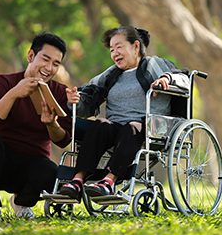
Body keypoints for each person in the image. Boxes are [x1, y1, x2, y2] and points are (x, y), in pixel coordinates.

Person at [60, 26, 189, 202]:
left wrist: (166, 79)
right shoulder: (111, 74)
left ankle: (108, 181)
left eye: (119, 47)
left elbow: (183, 78)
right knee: (100, 125)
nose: (114, 53)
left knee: (132, 127)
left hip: (148, 127)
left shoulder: (153, 64)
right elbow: (87, 103)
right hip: (115, 129)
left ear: (136, 46)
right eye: (112, 49)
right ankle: (77, 181)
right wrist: (75, 100)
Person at [0, 32, 72, 221]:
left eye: (56, 64)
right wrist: (14, 93)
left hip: (32, 166)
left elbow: (64, 139)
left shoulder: (59, 92)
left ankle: (22, 202)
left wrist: (51, 124)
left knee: (52, 172)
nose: (49, 68)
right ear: (31, 56)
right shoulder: (4, 82)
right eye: (45, 59)